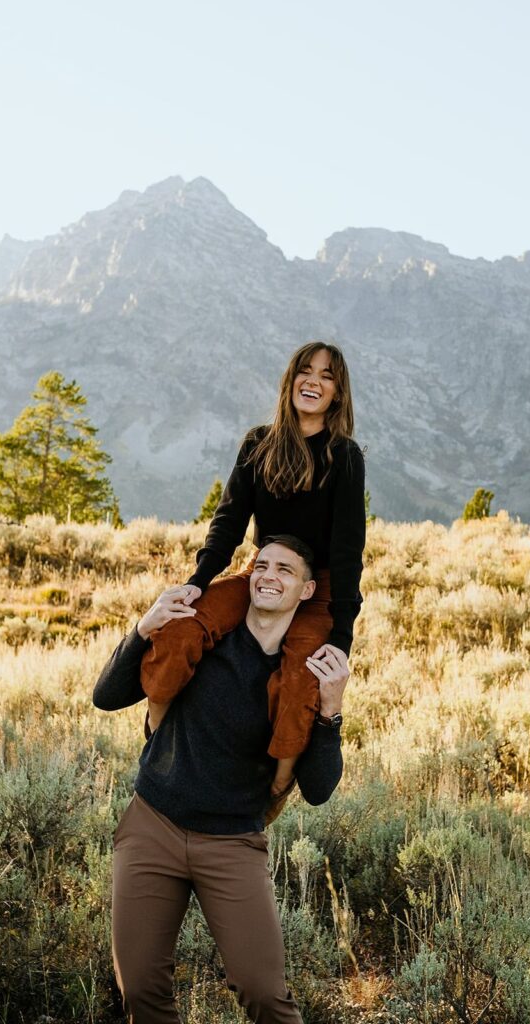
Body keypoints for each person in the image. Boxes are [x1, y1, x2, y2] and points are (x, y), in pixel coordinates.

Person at [93, 536, 349, 1024]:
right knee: (141, 989)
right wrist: (144, 628)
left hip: (232, 844)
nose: (268, 575)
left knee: (265, 995)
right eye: (262, 565)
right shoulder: (202, 637)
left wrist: (331, 714)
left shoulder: (306, 675)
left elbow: (319, 790)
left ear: (307, 589)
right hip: (153, 825)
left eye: (286, 570)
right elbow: (106, 697)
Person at [140, 341, 365, 801]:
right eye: (306, 371)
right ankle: (157, 741)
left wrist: (341, 634)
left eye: (326, 376)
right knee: (181, 629)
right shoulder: (258, 444)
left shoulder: (344, 456)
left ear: (337, 393)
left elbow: (347, 551)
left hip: (315, 587)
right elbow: (228, 522)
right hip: (260, 572)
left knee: (303, 676)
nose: (314, 382)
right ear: (291, 379)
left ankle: (275, 789)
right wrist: (197, 584)